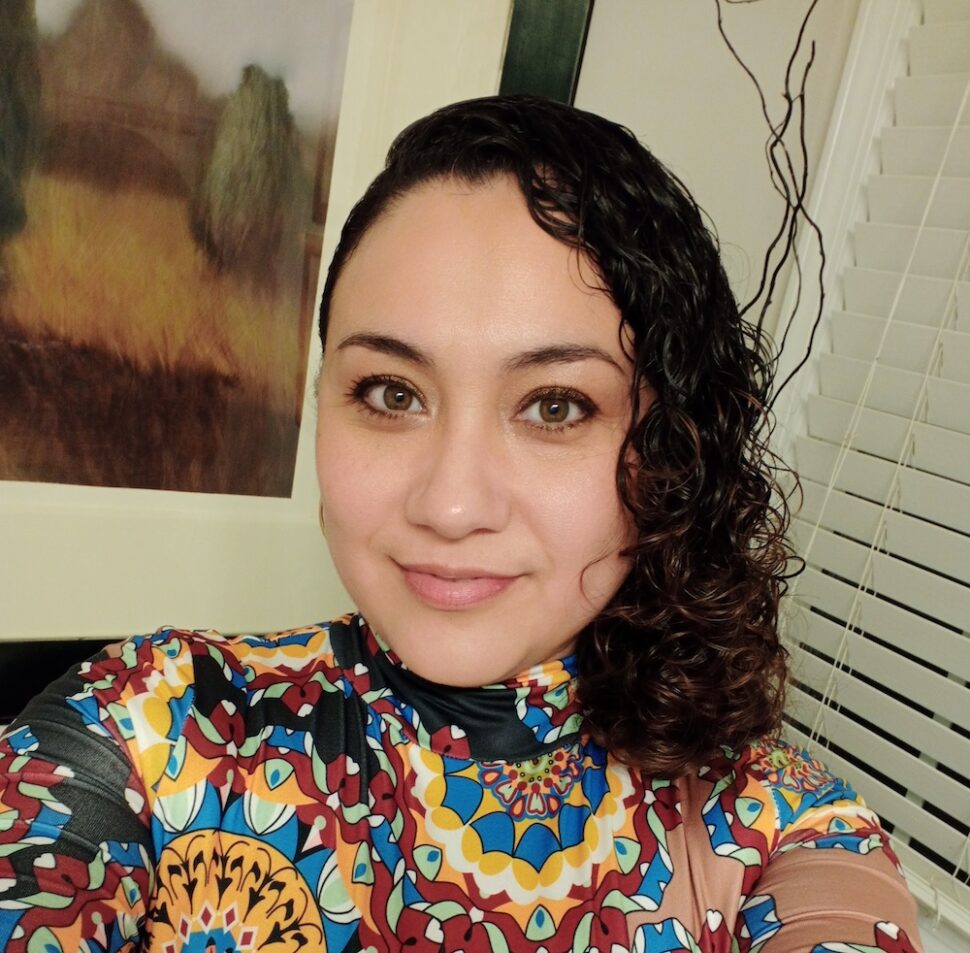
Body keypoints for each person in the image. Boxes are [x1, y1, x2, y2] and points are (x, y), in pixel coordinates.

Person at [0, 96, 921, 952]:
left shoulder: (789, 831)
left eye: (555, 405)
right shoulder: (145, 724)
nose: (449, 504)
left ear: (675, 448)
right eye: (391, 392)